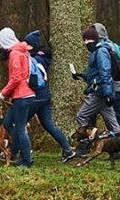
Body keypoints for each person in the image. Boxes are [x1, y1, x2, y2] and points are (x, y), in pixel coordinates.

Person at [23, 30, 75, 162]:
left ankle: (21, 153)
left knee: (19, 124)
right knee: (48, 124)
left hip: (35, 95)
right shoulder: (43, 57)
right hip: (45, 95)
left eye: (27, 44)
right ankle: (67, 149)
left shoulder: (34, 59)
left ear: (32, 46)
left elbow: (32, 79)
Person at [71, 25, 120, 157]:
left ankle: (85, 143)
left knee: (82, 116)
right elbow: (95, 75)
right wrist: (81, 75)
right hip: (103, 91)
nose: (85, 43)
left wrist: (108, 93)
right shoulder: (98, 51)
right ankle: (118, 149)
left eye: (88, 40)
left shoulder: (101, 52)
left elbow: (105, 73)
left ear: (95, 39)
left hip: (99, 92)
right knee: (112, 122)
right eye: (84, 40)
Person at [0, 27, 36, 167]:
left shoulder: (14, 54)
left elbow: (16, 77)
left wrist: (4, 93)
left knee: (20, 129)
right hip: (23, 95)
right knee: (7, 123)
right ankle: (21, 153)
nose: (0, 47)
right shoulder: (22, 52)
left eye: (0, 43)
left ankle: (27, 159)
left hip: (22, 96)